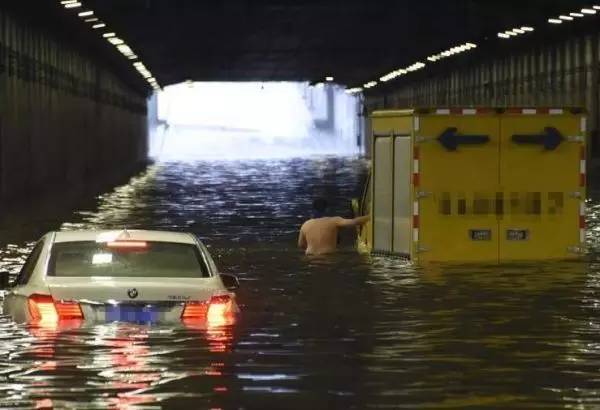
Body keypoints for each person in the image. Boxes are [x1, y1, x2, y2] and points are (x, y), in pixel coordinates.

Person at [298, 198, 369, 255]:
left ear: (313, 210)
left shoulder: (305, 224)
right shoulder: (334, 221)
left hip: (310, 258)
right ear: (327, 209)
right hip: (328, 257)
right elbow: (354, 222)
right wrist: (371, 216)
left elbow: (301, 245)